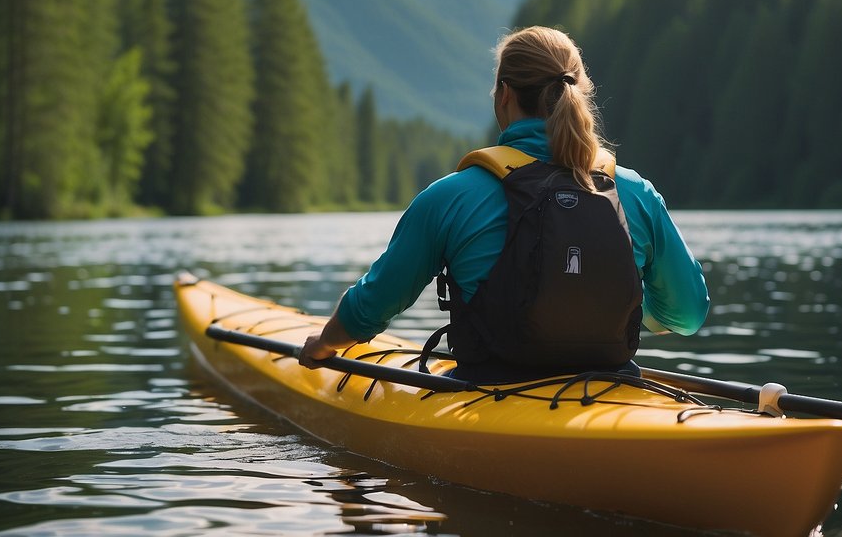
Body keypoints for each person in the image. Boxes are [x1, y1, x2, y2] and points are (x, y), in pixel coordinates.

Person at [299, 26, 708, 379]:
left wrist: (323, 343)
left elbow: (371, 306)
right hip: (609, 388)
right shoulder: (634, 192)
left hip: (489, 391)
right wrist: (616, 314)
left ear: (504, 95)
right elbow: (687, 315)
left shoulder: (450, 197)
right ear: (579, 94)